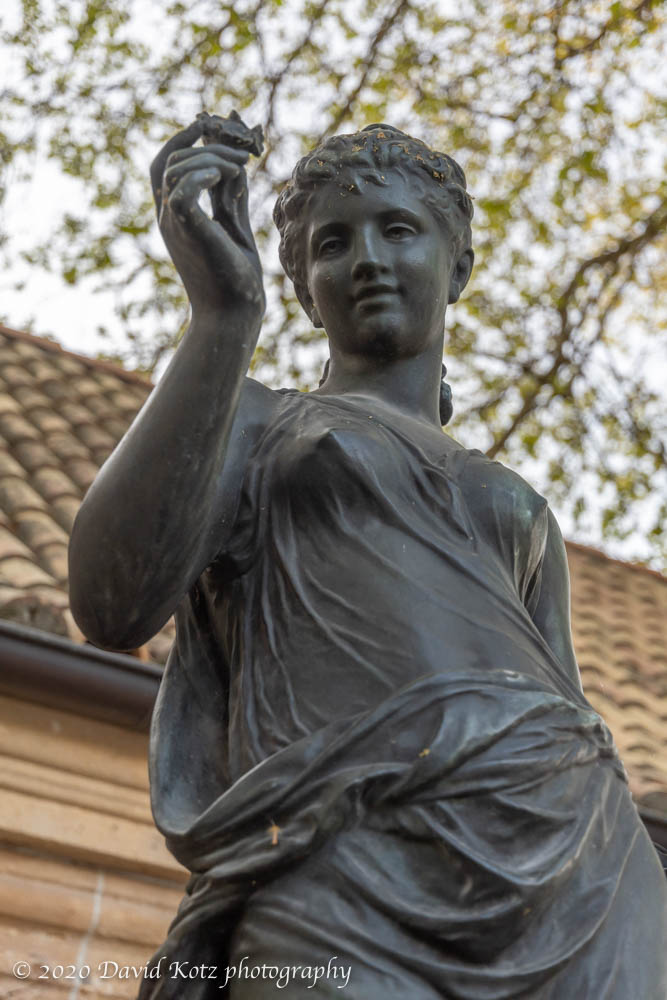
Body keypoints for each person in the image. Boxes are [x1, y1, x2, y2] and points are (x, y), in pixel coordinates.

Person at [68, 119, 667, 999]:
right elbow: (110, 601)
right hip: (338, 847)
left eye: (398, 230)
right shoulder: (258, 422)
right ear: (306, 293)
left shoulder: (518, 505)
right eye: (332, 244)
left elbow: (564, 703)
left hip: (576, 854)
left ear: (456, 267)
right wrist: (224, 316)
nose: (367, 260)